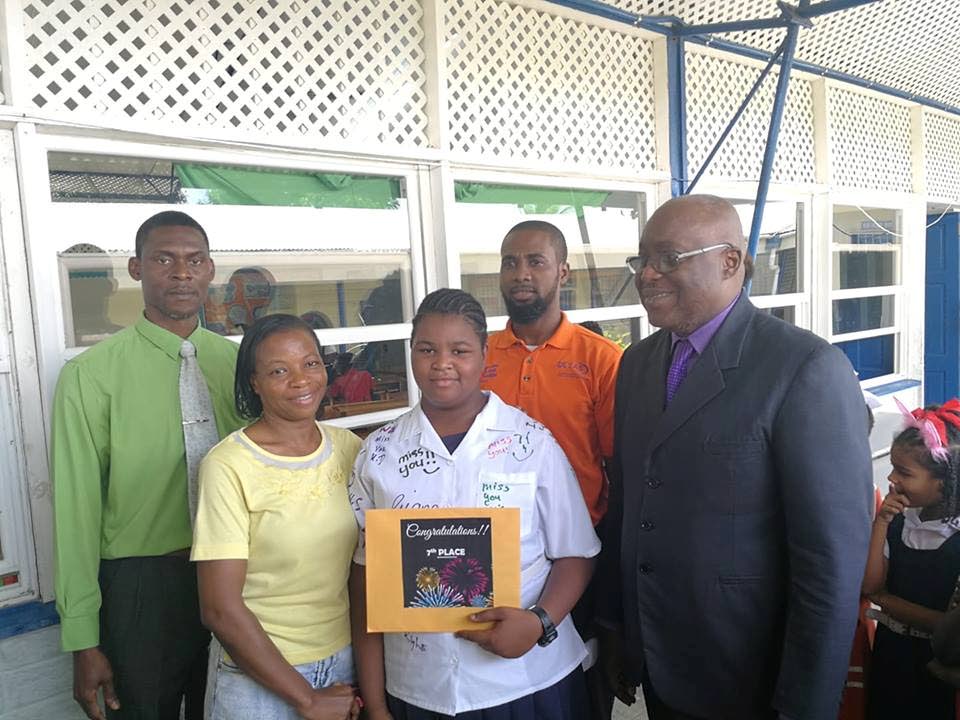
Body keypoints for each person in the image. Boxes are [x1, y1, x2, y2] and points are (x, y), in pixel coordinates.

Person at [600, 194, 873, 720]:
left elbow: (830, 565)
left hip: (753, 680)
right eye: (643, 260)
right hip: (661, 664)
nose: (647, 275)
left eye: (668, 258)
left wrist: (803, 707)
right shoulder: (637, 364)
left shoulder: (806, 369)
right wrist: (616, 626)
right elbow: (630, 505)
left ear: (730, 261)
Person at [349, 288, 600, 720]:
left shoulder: (532, 443)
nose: (441, 363)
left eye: (459, 350)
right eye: (426, 349)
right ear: (411, 353)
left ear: (484, 353)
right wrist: (374, 702)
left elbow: (576, 553)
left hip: (524, 681)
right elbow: (365, 584)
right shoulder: (379, 454)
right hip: (418, 685)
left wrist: (540, 621)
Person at [51, 210, 247, 720]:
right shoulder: (89, 377)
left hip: (236, 574)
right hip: (141, 589)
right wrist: (82, 639)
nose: (181, 273)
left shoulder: (236, 364)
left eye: (194, 260)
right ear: (137, 269)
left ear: (210, 270)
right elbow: (76, 515)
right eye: (164, 259)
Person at [479, 220, 622, 719]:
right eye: (510, 262)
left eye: (535, 261)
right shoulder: (477, 356)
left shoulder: (599, 360)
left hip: (574, 551)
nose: (521, 273)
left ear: (562, 271)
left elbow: (616, 464)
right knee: (496, 675)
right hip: (489, 549)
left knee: (581, 678)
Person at [192, 314, 361, 720]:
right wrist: (305, 698)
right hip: (257, 678)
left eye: (310, 363)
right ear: (254, 382)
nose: (301, 380)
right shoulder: (229, 465)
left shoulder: (350, 449)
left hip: (343, 664)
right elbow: (219, 608)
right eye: (278, 371)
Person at [862, 398, 960, 720]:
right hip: (891, 654)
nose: (891, 479)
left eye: (903, 472)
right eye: (892, 467)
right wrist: (881, 523)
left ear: (944, 482)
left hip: (939, 668)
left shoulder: (954, 537)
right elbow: (870, 584)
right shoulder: (901, 520)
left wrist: (885, 601)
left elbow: (947, 626)